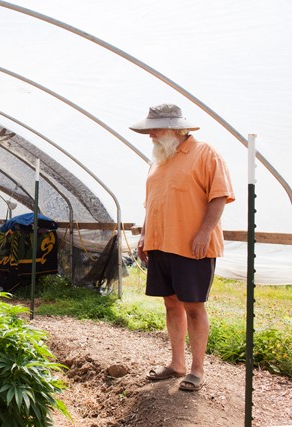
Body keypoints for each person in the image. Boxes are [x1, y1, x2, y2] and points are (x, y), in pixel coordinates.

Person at [131, 103, 235, 392]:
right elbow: (152, 202)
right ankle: (177, 364)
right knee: (171, 303)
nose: (150, 135)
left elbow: (220, 196)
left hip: (192, 246)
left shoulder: (205, 153)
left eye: (155, 129)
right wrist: (145, 235)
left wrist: (204, 232)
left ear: (175, 129)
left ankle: (197, 370)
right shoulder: (159, 161)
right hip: (161, 244)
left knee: (194, 306)